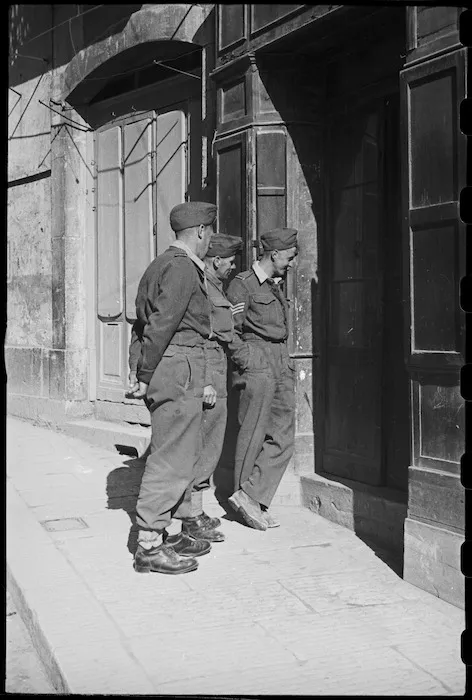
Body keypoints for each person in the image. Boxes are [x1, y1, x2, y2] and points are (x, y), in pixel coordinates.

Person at [127, 201, 219, 575]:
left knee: (180, 450)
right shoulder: (182, 268)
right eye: (210, 233)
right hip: (178, 364)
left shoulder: (160, 264)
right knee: (171, 456)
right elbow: (162, 324)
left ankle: (163, 532)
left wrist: (141, 367)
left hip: (172, 363)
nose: (210, 239)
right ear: (200, 232)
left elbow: (141, 322)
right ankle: (149, 544)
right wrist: (146, 372)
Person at [225, 228, 299, 531]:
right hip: (258, 361)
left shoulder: (274, 285)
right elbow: (230, 332)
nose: (292, 263)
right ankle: (248, 501)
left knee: (283, 434)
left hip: (280, 361)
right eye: (290, 257)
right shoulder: (242, 285)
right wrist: (250, 361)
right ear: (275, 254)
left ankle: (251, 495)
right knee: (253, 433)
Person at [184, 233, 243, 542]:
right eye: (230, 262)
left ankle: (196, 510)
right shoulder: (202, 285)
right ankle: (190, 517)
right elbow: (201, 336)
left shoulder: (215, 285)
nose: (232, 267)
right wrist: (205, 380)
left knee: (210, 446)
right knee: (203, 448)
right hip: (209, 376)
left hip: (218, 373)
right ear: (217, 260)